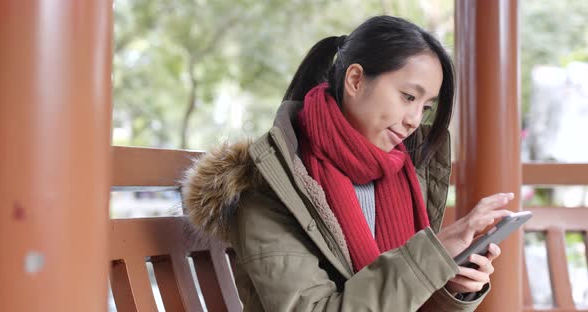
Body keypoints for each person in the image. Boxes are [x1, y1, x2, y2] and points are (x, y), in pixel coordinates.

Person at [181, 15, 515, 311]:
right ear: (355, 80)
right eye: (408, 97)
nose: (415, 120)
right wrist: (430, 256)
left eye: (426, 107)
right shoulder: (272, 182)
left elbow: (408, 299)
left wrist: (451, 285)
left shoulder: (403, 174)